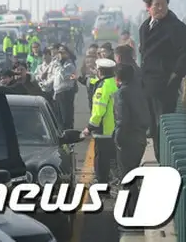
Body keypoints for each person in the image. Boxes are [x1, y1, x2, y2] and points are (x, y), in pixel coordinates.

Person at [139, 0, 186, 161]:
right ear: (148, 7)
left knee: (162, 126)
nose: (161, 8)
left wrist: (176, 75)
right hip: (147, 84)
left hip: (165, 85)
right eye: (157, 5)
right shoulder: (144, 26)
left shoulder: (176, 27)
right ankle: (159, 157)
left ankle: (165, 162)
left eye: (164, 5)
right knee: (152, 128)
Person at [113, 63, 150, 227]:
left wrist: (118, 139)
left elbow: (122, 119)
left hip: (128, 139)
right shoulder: (138, 89)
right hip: (140, 137)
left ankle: (131, 216)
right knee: (133, 177)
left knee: (127, 178)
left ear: (118, 78)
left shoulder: (122, 93)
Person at [82, 58, 117, 186]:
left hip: (103, 129)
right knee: (111, 157)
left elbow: (98, 112)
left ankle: (101, 182)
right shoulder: (114, 83)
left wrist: (89, 127)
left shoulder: (102, 88)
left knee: (101, 157)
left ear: (100, 71)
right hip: (114, 128)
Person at [41, 45, 76, 130]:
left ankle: (69, 136)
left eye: (62, 53)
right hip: (57, 93)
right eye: (59, 52)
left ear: (67, 54)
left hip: (66, 93)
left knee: (66, 117)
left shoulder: (70, 65)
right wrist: (45, 84)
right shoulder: (57, 64)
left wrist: (58, 65)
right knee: (59, 118)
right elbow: (53, 77)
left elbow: (65, 76)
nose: (60, 55)